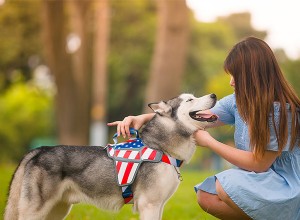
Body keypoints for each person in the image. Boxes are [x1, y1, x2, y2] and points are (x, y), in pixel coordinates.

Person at [108, 36, 300, 220]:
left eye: (236, 76)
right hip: (261, 179)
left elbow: (259, 164)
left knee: (225, 186)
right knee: (206, 195)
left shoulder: (280, 111)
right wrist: (144, 118)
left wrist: (210, 142)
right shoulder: (239, 102)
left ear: (254, 76)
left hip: (285, 184)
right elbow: (194, 116)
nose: (231, 82)